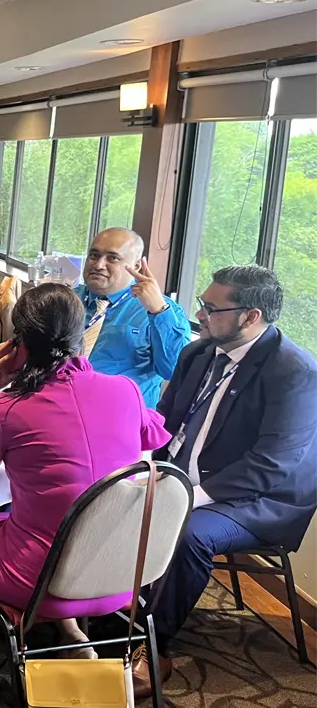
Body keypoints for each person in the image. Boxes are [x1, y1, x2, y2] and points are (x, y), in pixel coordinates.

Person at [0, 284, 170, 708]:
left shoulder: (9, 408)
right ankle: (75, 638)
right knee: (68, 530)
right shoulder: (127, 391)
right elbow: (154, 435)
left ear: (18, 342)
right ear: (84, 335)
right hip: (123, 576)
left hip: (36, 580)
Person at [133, 265, 317, 697]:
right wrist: (134, 459)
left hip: (260, 499)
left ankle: (153, 645)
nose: (200, 313)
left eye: (211, 308)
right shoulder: (198, 354)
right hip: (186, 473)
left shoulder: (294, 371)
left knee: (189, 534)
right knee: (104, 491)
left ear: (251, 316)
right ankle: (110, 605)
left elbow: (274, 464)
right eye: (202, 303)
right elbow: (164, 422)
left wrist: (189, 496)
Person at [75, 228, 191, 408]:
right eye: (94, 255)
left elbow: (174, 371)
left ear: (136, 266)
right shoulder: (67, 300)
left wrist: (158, 312)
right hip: (64, 410)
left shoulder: (162, 310)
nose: (98, 265)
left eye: (112, 258)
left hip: (122, 418)